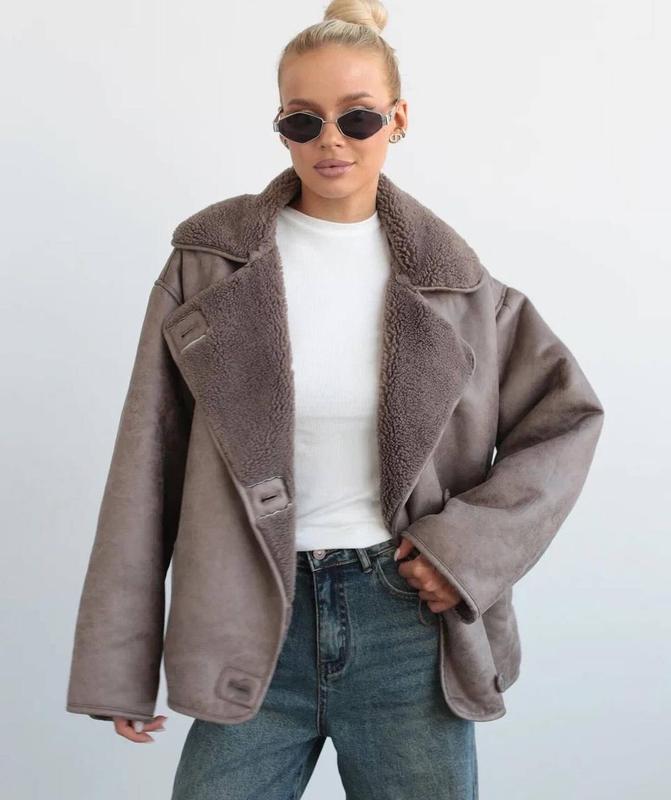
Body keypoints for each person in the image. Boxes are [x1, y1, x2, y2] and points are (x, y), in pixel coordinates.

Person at [65, 1, 605, 798]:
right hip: (250, 619)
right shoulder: (207, 268)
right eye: (302, 120)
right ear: (279, 125)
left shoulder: (461, 289)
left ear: (398, 119)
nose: (331, 141)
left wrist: (462, 552)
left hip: (404, 627)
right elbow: (146, 462)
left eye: (357, 118)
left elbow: (567, 420)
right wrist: (118, 665)